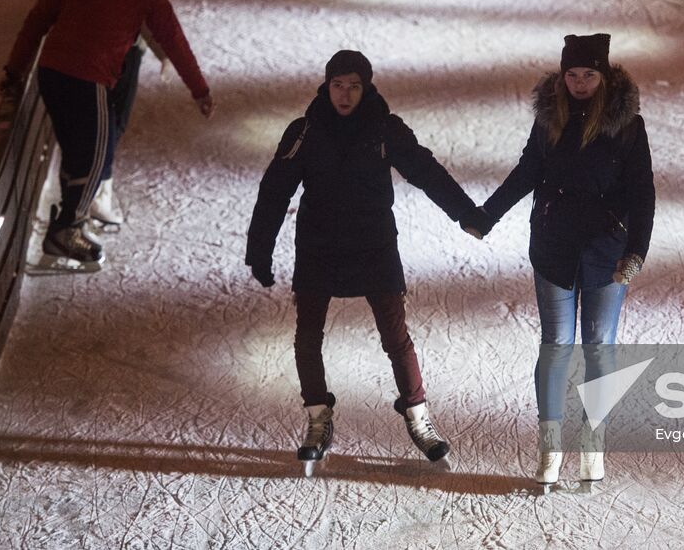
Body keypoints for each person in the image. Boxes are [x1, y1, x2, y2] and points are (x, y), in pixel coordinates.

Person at [245, 50, 488, 475]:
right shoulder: (305, 130)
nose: (345, 94)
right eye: (338, 85)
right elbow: (275, 190)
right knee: (307, 335)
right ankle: (318, 418)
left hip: (374, 244)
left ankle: (418, 418)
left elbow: (425, 171)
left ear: (367, 87)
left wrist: (466, 213)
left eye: (354, 86)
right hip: (319, 244)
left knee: (396, 336)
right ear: (327, 86)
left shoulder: (384, 128)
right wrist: (259, 249)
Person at [475, 33, 655, 488]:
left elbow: (642, 192)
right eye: (571, 74)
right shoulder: (548, 120)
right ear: (562, 76)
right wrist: (486, 215)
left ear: (603, 75)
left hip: (605, 253)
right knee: (556, 345)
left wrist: (636, 250)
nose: (578, 83)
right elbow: (525, 173)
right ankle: (550, 447)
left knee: (599, 346)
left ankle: (593, 443)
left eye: (588, 74)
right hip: (554, 247)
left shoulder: (627, 125)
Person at [1, 0, 214, 272]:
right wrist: (200, 89)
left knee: (77, 149)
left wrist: (14, 70)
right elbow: (174, 41)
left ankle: (69, 221)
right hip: (88, 77)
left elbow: (35, 22)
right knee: (99, 153)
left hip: (51, 73)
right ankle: (66, 229)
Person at [89, 0, 167, 230]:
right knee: (113, 121)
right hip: (125, 51)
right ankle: (98, 189)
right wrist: (164, 51)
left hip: (104, 48)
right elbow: (146, 14)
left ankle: (97, 184)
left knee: (106, 120)